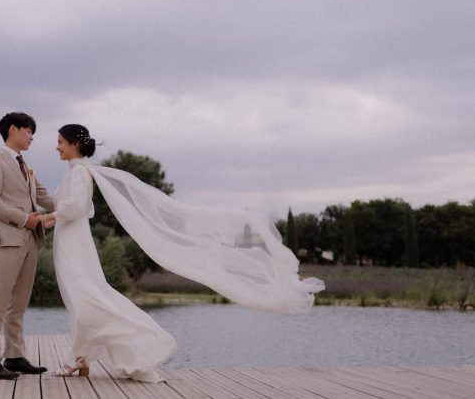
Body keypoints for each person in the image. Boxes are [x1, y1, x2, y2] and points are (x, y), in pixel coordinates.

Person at [40, 124, 325, 382]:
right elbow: (69, 204)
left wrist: (48, 218)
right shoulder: (78, 173)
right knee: (82, 296)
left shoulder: (79, 173)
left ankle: (111, 349)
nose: (57, 146)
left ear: (74, 144)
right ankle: (81, 357)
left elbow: (75, 207)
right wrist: (45, 200)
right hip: (71, 239)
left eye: (60, 141)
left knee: (84, 296)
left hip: (73, 241)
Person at [0, 112, 55, 380]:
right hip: (9, 242)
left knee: (19, 304)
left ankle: (14, 356)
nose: (32, 137)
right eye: (29, 131)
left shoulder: (26, 166)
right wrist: (25, 219)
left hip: (31, 243)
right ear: (13, 130)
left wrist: (76, 205)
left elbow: (45, 197)